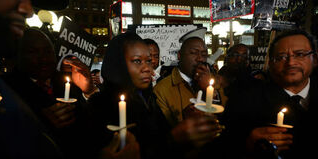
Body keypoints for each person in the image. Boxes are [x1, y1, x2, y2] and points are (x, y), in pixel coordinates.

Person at [89, 31, 222, 159]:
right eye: (137, 61)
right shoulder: (100, 106)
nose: (147, 68)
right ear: (118, 64)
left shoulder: (147, 98)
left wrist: (184, 122)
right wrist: (174, 138)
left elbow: (158, 138)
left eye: (148, 61)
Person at [222, 29, 318, 159]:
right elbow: (223, 146)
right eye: (281, 57)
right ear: (271, 63)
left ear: (315, 59)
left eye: (300, 54)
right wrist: (248, 143)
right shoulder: (243, 100)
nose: (290, 63)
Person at [0, 1, 69, 159]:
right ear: (19, 56)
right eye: (33, 52)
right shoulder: (10, 88)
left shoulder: (70, 85)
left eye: (47, 51)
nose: (29, 12)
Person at [153, 27, 220, 127]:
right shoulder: (162, 89)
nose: (200, 58)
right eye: (193, 53)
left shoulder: (215, 81)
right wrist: (184, 120)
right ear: (179, 55)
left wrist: (210, 91)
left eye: (204, 54)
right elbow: (163, 132)